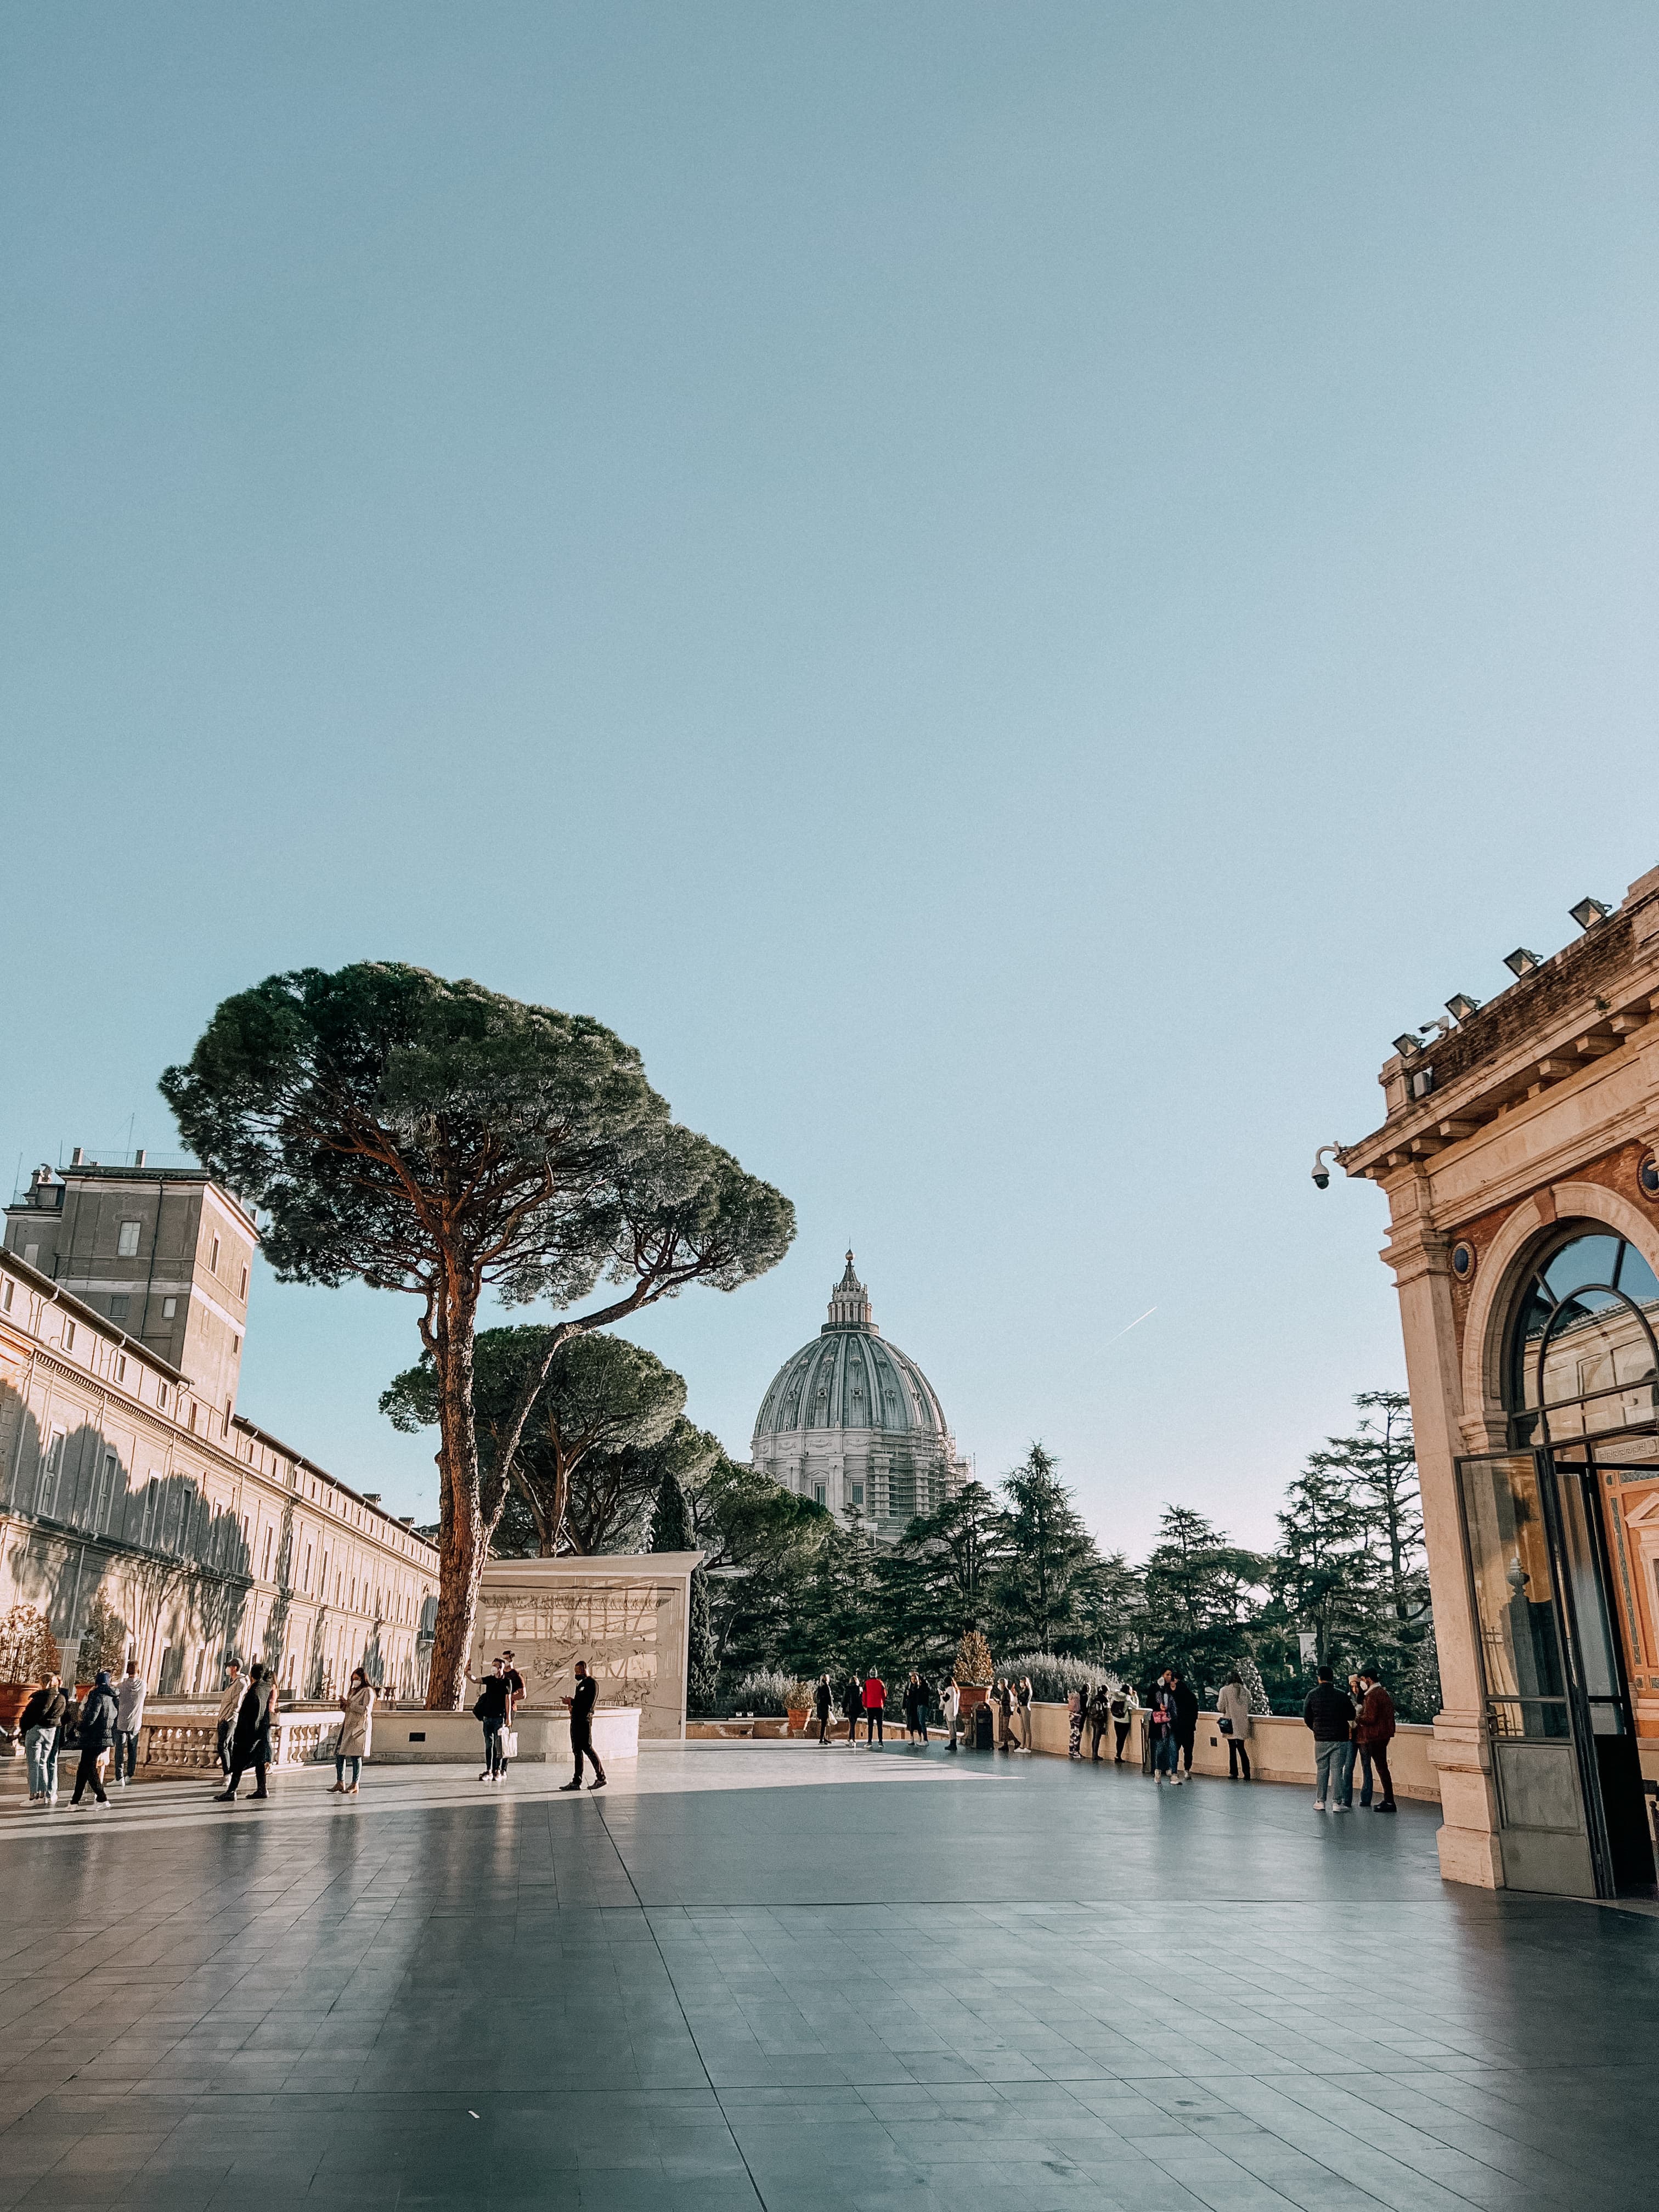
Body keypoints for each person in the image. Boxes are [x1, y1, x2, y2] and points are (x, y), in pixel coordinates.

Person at [217, 1663, 274, 1801]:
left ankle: (231, 1791)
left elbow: (246, 1715)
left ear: (252, 1675)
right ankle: (262, 1788)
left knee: (238, 1762)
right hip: (261, 1732)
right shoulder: (265, 1689)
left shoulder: (254, 1692)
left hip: (249, 1733)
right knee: (260, 1761)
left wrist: (240, 1734)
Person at [1303, 1664, 1356, 1812]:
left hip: (1321, 1739)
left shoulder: (1312, 1695)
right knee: (1337, 1770)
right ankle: (1337, 1803)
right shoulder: (1341, 1695)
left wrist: (1316, 1729)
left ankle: (1320, 1801)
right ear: (1332, 1678)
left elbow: (1307, 1717)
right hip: (1340, 1738)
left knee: (1322, 1769)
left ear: (1319, 1678)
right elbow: (1352, 1715)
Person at [69, 1671, 119, 1808]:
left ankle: (102, 1799)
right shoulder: (113, 1697)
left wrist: (79, 1726)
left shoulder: (97, 1695)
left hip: (93, 1737)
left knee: (88, 1768)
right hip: (105, 1737)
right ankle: (74, 1801)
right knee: (84, 1768)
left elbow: (90, 1718)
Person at [1354, 1667, 1398, 1812]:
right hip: (1383, 1734)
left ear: (1369, 1679)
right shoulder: (1382, 1693)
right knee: (1382, 1767)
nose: (1361, 1683)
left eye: (1362, 1680)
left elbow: (1370, 1718)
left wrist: (1357, 1718)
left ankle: (1389, 1800)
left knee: (1381, 1767)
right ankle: (1389, 1799)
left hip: (1375, 1736)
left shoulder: (1373, 1695)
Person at [19, 1673, 66, 1805]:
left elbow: (29, 1716)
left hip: (37, 1731)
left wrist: (25, 1729)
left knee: (33, 1765)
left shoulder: (41, 1698)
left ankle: (33, 1796)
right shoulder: (61, 1698)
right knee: (43, 1763)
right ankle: (45, 1795)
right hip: (51, 1732)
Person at [560, 1658, 606, 1791]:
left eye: (579, 1671)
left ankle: (601, 1777)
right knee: (577, 1750)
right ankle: (577, 1781)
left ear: (585, 1670)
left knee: (587, 1748)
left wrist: (572, 1702)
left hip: (584, 1721)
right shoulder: (580, 1685)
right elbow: (579, 1702)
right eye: (575, 1672)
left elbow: (588, 1704)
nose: (577, 1674)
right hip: (576, 1720)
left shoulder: (592, 1684)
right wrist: (571, 1705)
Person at [332, 1667, 375, 1795]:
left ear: (363, 1679)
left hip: (358, 1728)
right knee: (340, 1753)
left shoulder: (368, 1691)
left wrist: (351, 1705)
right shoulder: (353, 1691)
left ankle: (355, 1784)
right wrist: (344, 1705)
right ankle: (340, 1782)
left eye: (357, 1679)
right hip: (347, 1726)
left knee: (356, 1756)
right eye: (353, 1679)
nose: (355, 1681)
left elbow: (367, 1709)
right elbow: (348, 1709)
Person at [469, 1657, 511, 1782]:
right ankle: (489, 1770)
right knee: (489, 1745)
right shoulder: (490, 1680)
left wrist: (508, 1717)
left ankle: (497, 1770)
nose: (493, 1667)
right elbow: (476, 1680)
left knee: (498, 1747)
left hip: (499, 1718)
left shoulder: (507, 1682)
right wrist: (467, 1673)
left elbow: (508, 1699)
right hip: (487, 1718)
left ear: (500, 1668)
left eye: (495, 1665)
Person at [112, 1658, 146, 1787]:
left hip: (121, 1722)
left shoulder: (121, 1686)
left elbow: (115, 1696)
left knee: (119, 1751)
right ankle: (129, 1775)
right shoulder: (143, 1685)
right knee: (133, 1750)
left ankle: (119, 1776)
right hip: (136, 1723)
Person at [1216, 1670, 1252, 1780]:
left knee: (1232, 1748)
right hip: (1242, 1723)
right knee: (1241, 1748)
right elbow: (1250, 1705)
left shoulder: (1224, 1690)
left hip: (1230, 1723)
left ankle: (1234, 1773)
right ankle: (1247, 1773)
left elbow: (1221, 1707)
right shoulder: (1246, 1691)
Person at [1150, 1672, 1182, 1784]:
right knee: (1162, 1749)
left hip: (1171, 1725)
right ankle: (1159, 1771)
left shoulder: (1173, 1694)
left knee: (1173, 1748)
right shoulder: (1160, 1693)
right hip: (1162, 1726)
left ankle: (1173, 1773)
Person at [214, 1660, 244, 1773]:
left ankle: (228, 1774)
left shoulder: (240, 1683)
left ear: (235, 1668)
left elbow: (236, 1703)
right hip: (224, 1717)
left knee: (223, 1746)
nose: (227, 1669)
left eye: (229, 1666)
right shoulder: (234, 1682)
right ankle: (230, 1773)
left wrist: (227, 1718)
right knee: (228, 1746)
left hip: (229, 1719)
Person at [1170, 1669, 1199, 1776]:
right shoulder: (1191, 1696)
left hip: (1176, 1727)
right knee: (1188, 1750)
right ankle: (1187, 1770)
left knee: (1174, 1749)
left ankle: (1174, 1770)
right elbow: (1195, 1713)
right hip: (1189, 1727)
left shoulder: (1173, 1696)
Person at [1086, 1681, 1112, 1763]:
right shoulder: (1104, 1698)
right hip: (1099, 1720)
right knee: (1097, 1738)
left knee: (1094, 1737)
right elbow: (1107, 1707)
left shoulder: (1096, 1697)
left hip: (1093, 1719)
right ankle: (1095, 1755)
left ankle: (1094, 1754)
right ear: (1106, 1691)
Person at [862, 1666, 886, 1746]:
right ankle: (880, 1741)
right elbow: (885, 1695)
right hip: (879, 1706)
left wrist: (865, 1705)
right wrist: (882, 1702)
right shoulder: (881, 1683)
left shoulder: (866, 1683)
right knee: (880, 1724)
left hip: (870, 1706)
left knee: (870, 1725)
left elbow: (864, 1696)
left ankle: (870, 1741)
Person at [1109, 1684, 1132, 1764]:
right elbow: (1135, 1706)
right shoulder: (1127, 1698)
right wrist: (1136, 1697)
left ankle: (1118, 1755)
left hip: (1116, 1719)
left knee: (1119, 1739)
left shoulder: (1115, 1696)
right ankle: (1118, 1756)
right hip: (1125, 1721)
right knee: (1122, 1740)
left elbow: (1111, 1704)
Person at [840, 1674, 863, 1748]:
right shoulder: (859, 1689)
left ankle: (851, 1738)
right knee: (853, 1723)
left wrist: (843, 1707)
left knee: (852, 1723)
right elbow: (861, 1699)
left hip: (849, 1709)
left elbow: (844, 1699)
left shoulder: (847, 1689)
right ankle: (852, 1738)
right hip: (857, 1709)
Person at [813, 1673, 833, 1745]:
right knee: (824, 1724)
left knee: (823, 1724)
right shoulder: (826, 1687)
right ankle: (821, 1740)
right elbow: (829, 1698)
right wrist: (831, 1706)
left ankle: (824, 1738)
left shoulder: (820, 1686)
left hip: (820, 1707)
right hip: (825, 1707)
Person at [941, 1676, 961, 1750]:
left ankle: (952, 1744)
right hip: (954, 1711)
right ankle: (954, 1743)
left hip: (949, 1710)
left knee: (951, 1728)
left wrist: (941, 1695)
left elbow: (946, 1699)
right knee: (954, 1727)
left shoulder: (950, 1689)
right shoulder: (956, 1690)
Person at [995, 1678, 1013, 1753]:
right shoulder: (1003, 1692)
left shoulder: (1007, 1692)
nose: (998, 1685)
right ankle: (1005, 1744)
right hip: (1003, 1711)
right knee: (1003, 1728)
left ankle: (1015, 1740)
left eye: (999, 1683)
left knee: (1005, 1728)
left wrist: (1000, 1702)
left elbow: (1007, 1702)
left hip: (1006, 1712)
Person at [1017, 1675, 1034, 1752]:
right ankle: (1022, 1745)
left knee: (1027, 1728)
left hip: (1025, 1708)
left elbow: (1025, 1700)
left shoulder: (1028, 1691)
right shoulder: (1022, 1690)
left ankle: (1028, 1747)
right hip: (1021, 1708)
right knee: (1022, 1729)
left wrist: (1019, 1698)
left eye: (1022, 1682)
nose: (1021, 1684)